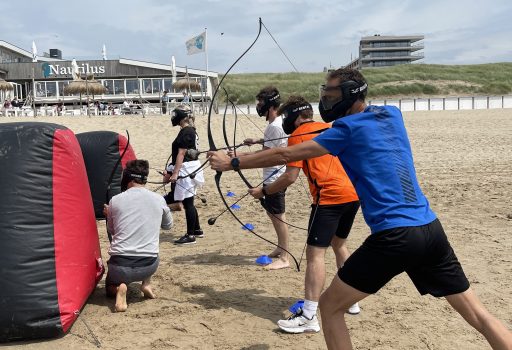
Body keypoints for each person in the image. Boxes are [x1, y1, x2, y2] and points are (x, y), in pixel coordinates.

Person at [208, 68, 512, 349]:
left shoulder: (346, 130)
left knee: (329, 308)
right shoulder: (392, 115)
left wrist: (233, 162)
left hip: (395, 235)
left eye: (331, 94)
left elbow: (287, 154)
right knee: (479, 315)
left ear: (351, 93)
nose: (326, 99)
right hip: (431, 229)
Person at [248, 95, 361, 333]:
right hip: (352, 195)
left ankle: (309, 316)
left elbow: (289, 176)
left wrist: (264, 191)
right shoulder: (329, 128)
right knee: (340, 245)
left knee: (315, 255)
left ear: (294, 118)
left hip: (329, 198)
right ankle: (351, 301)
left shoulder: (298, 136)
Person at [104, 159, 172, 312]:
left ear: (127, 178)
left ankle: (119, 289)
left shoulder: (115, 200)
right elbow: (168, 226)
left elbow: (113, 231)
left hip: (121, 266)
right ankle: (146, 283)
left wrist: (109, 214)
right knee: (149, 243)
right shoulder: (158, 199)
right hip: (149, 265)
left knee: (109, 286)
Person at [236, 86, 290, 270]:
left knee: (278, 216)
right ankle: (281, 247)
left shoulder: (274, 126)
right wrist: (257, 141)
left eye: (260, 102)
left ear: (269, 103)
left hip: (275, 176)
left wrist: (238, 156)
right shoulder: (277, 123)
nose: (258, 105)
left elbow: (265, 156)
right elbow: (275, 145)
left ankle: (285, 257)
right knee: (272, 213)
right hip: (276, 174)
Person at [163, 105, 205, 245]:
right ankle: (197, 229)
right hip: (188, 168)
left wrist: (174, 173)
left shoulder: (187, 131)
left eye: (175, 114)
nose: (173, 117)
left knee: (188, 203)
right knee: (189, 201)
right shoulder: (188, 130)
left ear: (181, 115)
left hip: (187, 169)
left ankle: (190, 235)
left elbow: (181, 153)